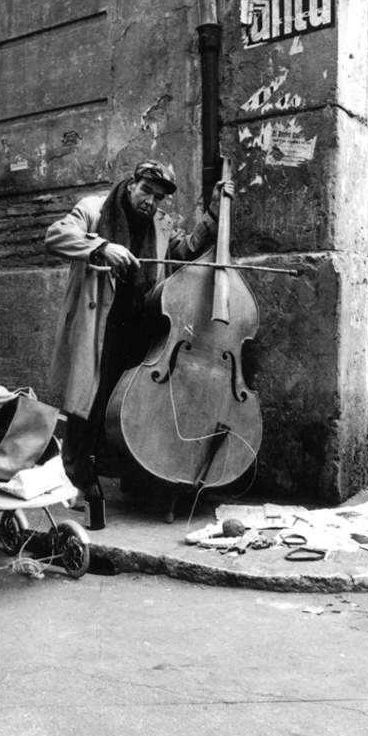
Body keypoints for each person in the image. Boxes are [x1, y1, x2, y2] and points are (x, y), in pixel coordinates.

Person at [45, 160, 234, 504]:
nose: (150, 201)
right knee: (90, 401)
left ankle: (128, 474)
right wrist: (101, 246)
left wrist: (214, 214)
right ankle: (77, 475)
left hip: (138, 321)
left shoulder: (160, 224)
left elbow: (183, 252)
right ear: (132, 183)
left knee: (132, 402)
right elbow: (57, 235)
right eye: (146, 190)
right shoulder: (93, 209)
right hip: (99, 322)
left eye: (158, 197)